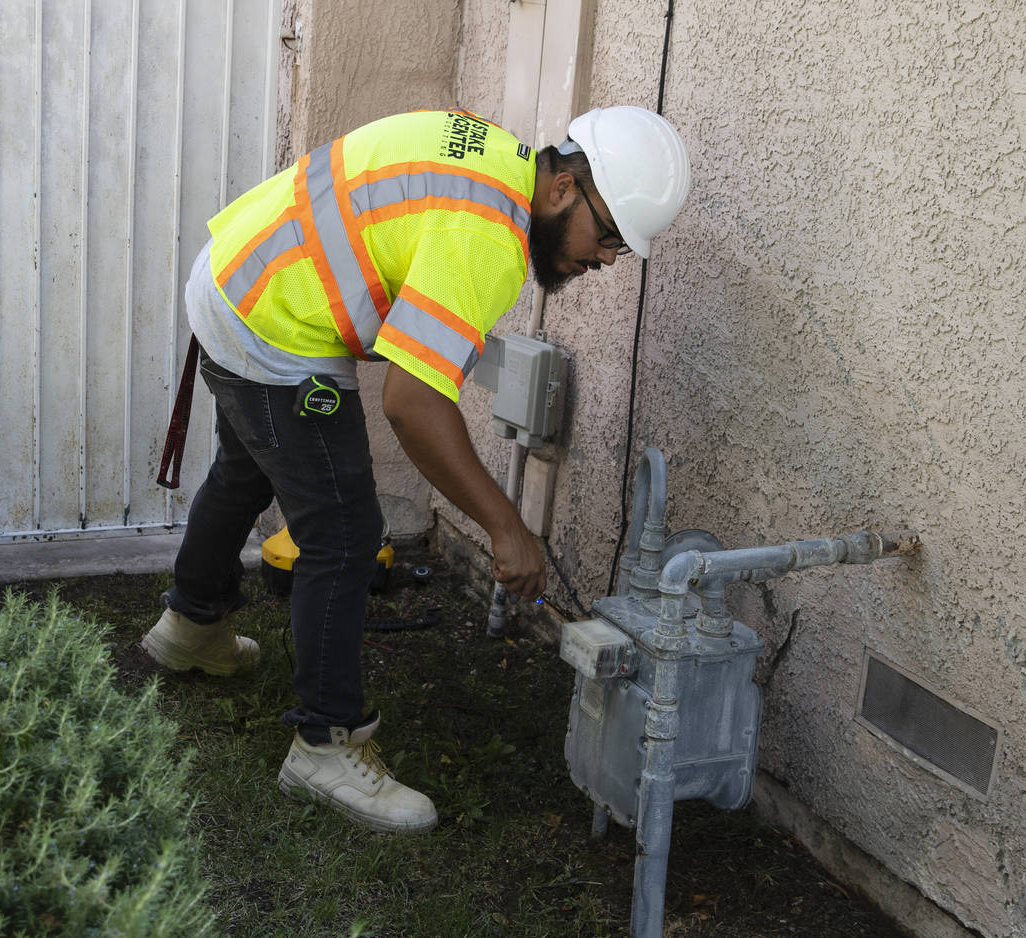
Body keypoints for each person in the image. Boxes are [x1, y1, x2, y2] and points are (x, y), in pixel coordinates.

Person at [141, 106, 691, 833]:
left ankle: (191, 626)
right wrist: (507, 527)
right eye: (611, 235)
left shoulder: (494, 157)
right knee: (343, 531)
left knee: (246, 466)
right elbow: (410, 404)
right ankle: (323, 744)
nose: (607, 261)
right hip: (272, 322)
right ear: (563, 190)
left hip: (238, 276)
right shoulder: (489, 240)